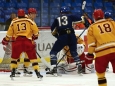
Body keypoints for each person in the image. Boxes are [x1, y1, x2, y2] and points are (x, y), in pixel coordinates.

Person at [46, 6, 90, 76]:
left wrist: (59, 37)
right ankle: (79, 67)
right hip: (72, 36)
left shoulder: (57, 19)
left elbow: (53, 31)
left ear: (61, 12)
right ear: (68, 12)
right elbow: (82, 18)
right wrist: (87, 24)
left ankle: (54, 69)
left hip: (63, 36)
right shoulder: (71, 16)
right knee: (74, 52)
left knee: (53, 52)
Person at [1, 9, 43, 80]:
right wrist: (35, 36)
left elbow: (9, 32)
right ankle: (37, 73)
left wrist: (6, 40)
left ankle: (13, 71)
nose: (34, 15)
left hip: (17, 41)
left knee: (15, 57)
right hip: (27, 41)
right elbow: (36, 31)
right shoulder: (29, 20)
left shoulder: (14, 21)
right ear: (26, 14)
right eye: (32, 13)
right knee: (33, 58)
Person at [86, 9, 115, 86]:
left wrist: (90, 54)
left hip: (101, 53)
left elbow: (92, 44)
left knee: (100, 74)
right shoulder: (112, 23)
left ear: (94, 17)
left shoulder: (92, 27)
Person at [15, 8, 37, 76]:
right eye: (33, 14)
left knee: (28, 55)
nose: (34, 15)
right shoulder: (24, 19)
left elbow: (34, 31)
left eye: (35, 14)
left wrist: (34, 36)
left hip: (28, 40)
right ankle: (15, 69)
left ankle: (25, 68)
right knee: (18, 54)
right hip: (20, 39)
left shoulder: (32, 21)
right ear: (29, 14)